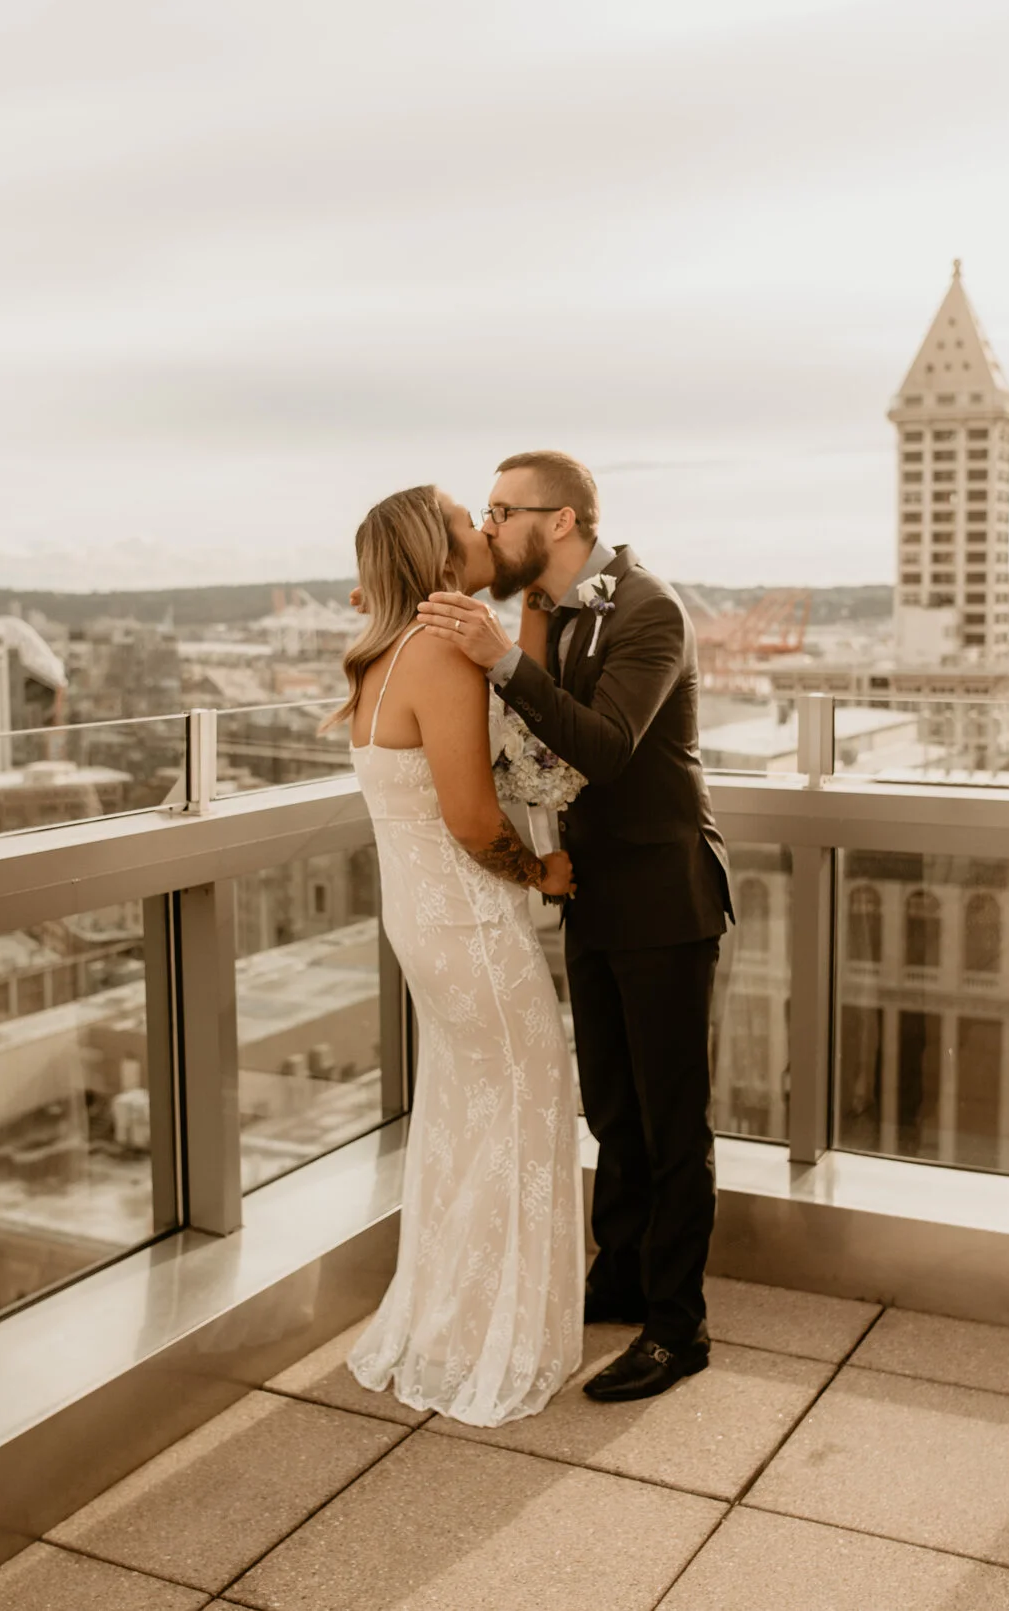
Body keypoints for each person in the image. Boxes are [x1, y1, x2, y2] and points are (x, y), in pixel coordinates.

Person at [418, 450, 731, 1404]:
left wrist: (500, 661)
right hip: (590, 892)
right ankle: (624, 1271)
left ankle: (680, 1327)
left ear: (560, 521)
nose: (490, 521)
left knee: (674, 1121)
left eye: (503, 509)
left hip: (667, 900)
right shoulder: (550, 611)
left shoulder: (649, 607)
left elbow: (600, 745)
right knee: (613, 1107)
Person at [331, 484, 584, 1428]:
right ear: (435, 554)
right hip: (472, 924)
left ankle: (456, 1318)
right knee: (527, 1104)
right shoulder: (440, 651)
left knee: (467, 1114)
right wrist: (541, 874)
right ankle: (499, 1332)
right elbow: (475, 820)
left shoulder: (379, 655)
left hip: (422, 924)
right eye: (464, 519)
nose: (484, 527)